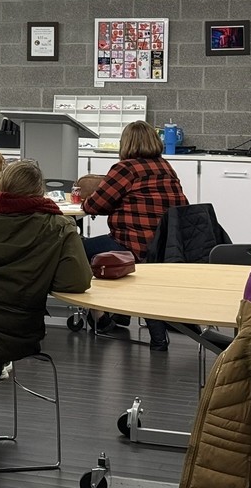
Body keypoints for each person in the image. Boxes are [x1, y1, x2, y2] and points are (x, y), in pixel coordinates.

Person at [0, 160, 92, 442]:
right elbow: (76, 282)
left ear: (2, 186)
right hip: (15, 331)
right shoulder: (57, 226)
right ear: (39, 192)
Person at [80, 120, 187, 347]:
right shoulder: (166, 167)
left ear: (125, 143)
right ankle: (122, 315)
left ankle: (100, 317)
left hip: (134, 245)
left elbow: (93, 206)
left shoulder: (125, 168)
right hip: (166, 248)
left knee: (76, 248)